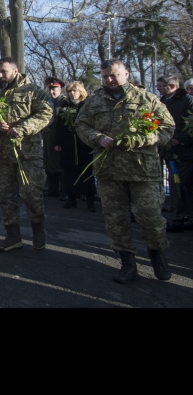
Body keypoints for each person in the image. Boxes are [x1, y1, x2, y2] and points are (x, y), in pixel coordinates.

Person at [75, 59, 175, 283]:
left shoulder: (146, 99)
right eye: (105, 76)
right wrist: (97, 138)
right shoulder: (94, 101)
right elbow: (81, 125)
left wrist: (142, 138)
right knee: (115, 218)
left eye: (113, 75)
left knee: (149, 216)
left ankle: (157, 254)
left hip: (142, 169)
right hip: (109, 169)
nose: (109, 80)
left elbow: (167, 127)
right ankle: (127, 262)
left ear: (126, 74)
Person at [0, 56, 53, 252]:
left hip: (27, 153)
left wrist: (23, 127)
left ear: (15, 71)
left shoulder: (32, 90)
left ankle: (38, 226)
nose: (0, 75)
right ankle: (12, 235)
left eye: (3, 71)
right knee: (6, 196)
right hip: (4, 154)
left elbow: (46, 113)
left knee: (30, 194)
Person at [158, 75, 193, 233]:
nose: (158, 88)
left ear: (171, 86)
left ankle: (178, 218)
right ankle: (185, 217)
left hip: (184, 151)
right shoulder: (162, 101)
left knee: (177, 184)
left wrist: (179, 140)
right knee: (180, 185)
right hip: (170, 149)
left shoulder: (188, 100)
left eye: (161, 85)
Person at [54, 81, 96, 210]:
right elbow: (59, 126)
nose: (72, 94)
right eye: (70, 91)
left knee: (86, 173)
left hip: (84, 144)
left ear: (81, 92)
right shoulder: (65, 106)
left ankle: (90, 200)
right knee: (68, 172)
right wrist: (57, 142)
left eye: (75, 91)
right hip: (68, 144)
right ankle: (71, 199)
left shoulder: (87, 105)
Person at [42, 77, 66, 198]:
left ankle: (64, 190)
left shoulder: (64, 103)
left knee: (61, 164)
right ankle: (52, 188)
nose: (52, 92)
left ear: (60, 89)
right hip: (47, 138)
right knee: (49, 162)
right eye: (50, 89)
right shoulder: (46, 102)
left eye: (55, 89)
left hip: (60, 139)